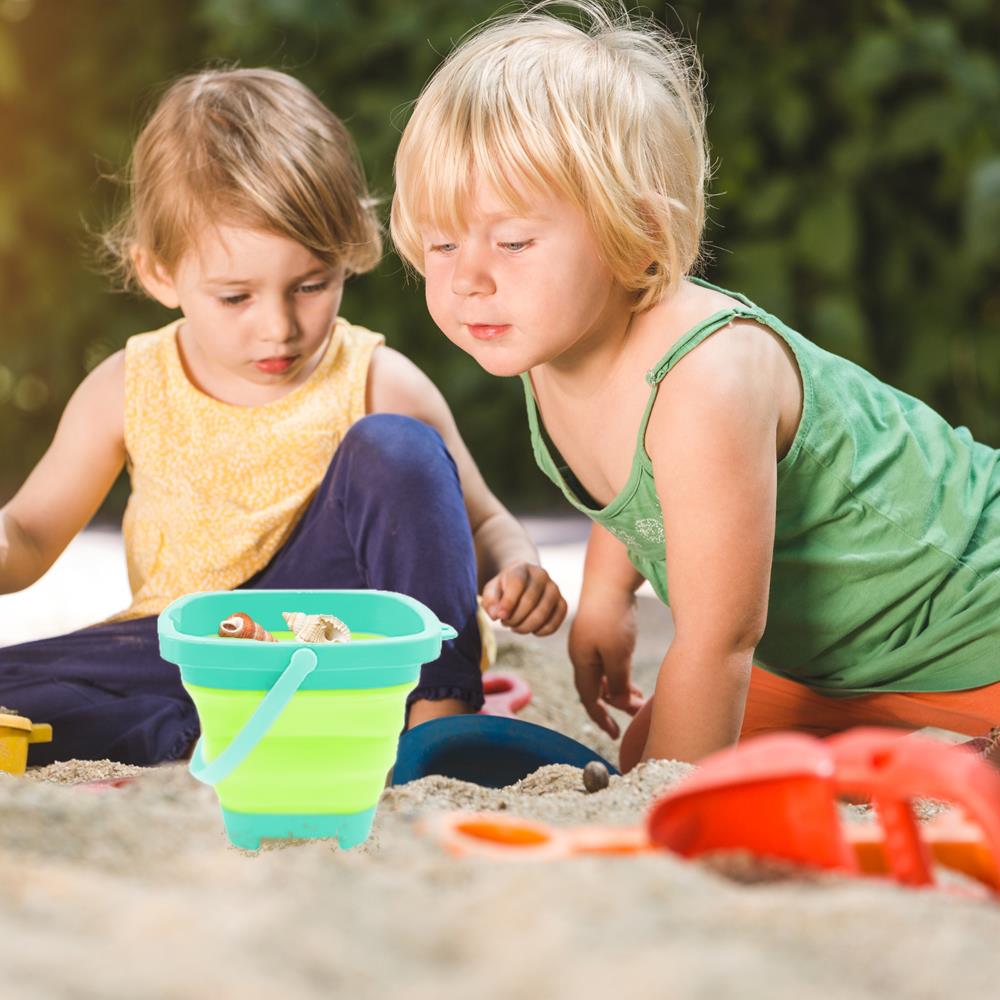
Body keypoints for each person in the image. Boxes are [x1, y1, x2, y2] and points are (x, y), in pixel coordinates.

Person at [389, 1, 1000, 770]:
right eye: (442, 243)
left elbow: (721, 637)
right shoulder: (548, 333)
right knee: (654, 743)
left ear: (635, 232)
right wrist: (606, 595)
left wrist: (663, 820)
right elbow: (638, 475)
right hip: (835, 667)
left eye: (513, 241)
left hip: (971, 622)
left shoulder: (706, 376)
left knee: (671, 763)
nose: (469, 278)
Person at [0, 67, 566, 767]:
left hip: (344, 649)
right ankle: (202, 737)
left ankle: (436, 724)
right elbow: (25, 534)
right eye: (236, 297)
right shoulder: (129, 384)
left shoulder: (377, 380)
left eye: (310, 286)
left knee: (397, 447)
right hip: (189, 650)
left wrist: (516, 564)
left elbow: (482, 522)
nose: (279, 328)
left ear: (348, 253)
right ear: (159, 274)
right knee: (17, 685)